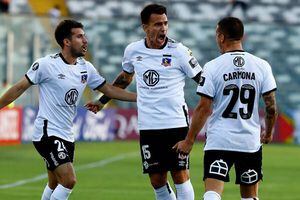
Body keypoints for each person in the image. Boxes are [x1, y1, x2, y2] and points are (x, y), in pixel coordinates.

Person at [0, 19, 136, 200]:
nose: (85, 40)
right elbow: (19, 87)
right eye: (79, 36)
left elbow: (109, 89)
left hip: (66, 134)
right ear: (66, 41)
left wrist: (141, 98)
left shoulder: (85, 67)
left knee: (54, 184)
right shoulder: (46, 64)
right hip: (47, 133)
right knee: (69, 180)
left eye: (84, 36)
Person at [85, 3, 202, 200]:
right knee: (157, 179)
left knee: (179, 174)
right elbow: (124, 79)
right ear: (145, 27)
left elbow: (202, 80)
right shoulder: (133, 50)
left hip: (175, 122)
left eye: (165, 23)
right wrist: (103, 100)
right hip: (148, 124)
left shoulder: (179, 51)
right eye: (157, 24)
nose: (163, 28)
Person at [173, 17, 278, 200]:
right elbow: (271, 106)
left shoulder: (213, 67)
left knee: (212, 193)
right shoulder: (262, 66)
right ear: (242, 36)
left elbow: (204, 108)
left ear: (221, 37)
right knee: (249, 197)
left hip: (220, 140)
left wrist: (189, 140)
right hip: (249, 142)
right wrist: (268, 133)